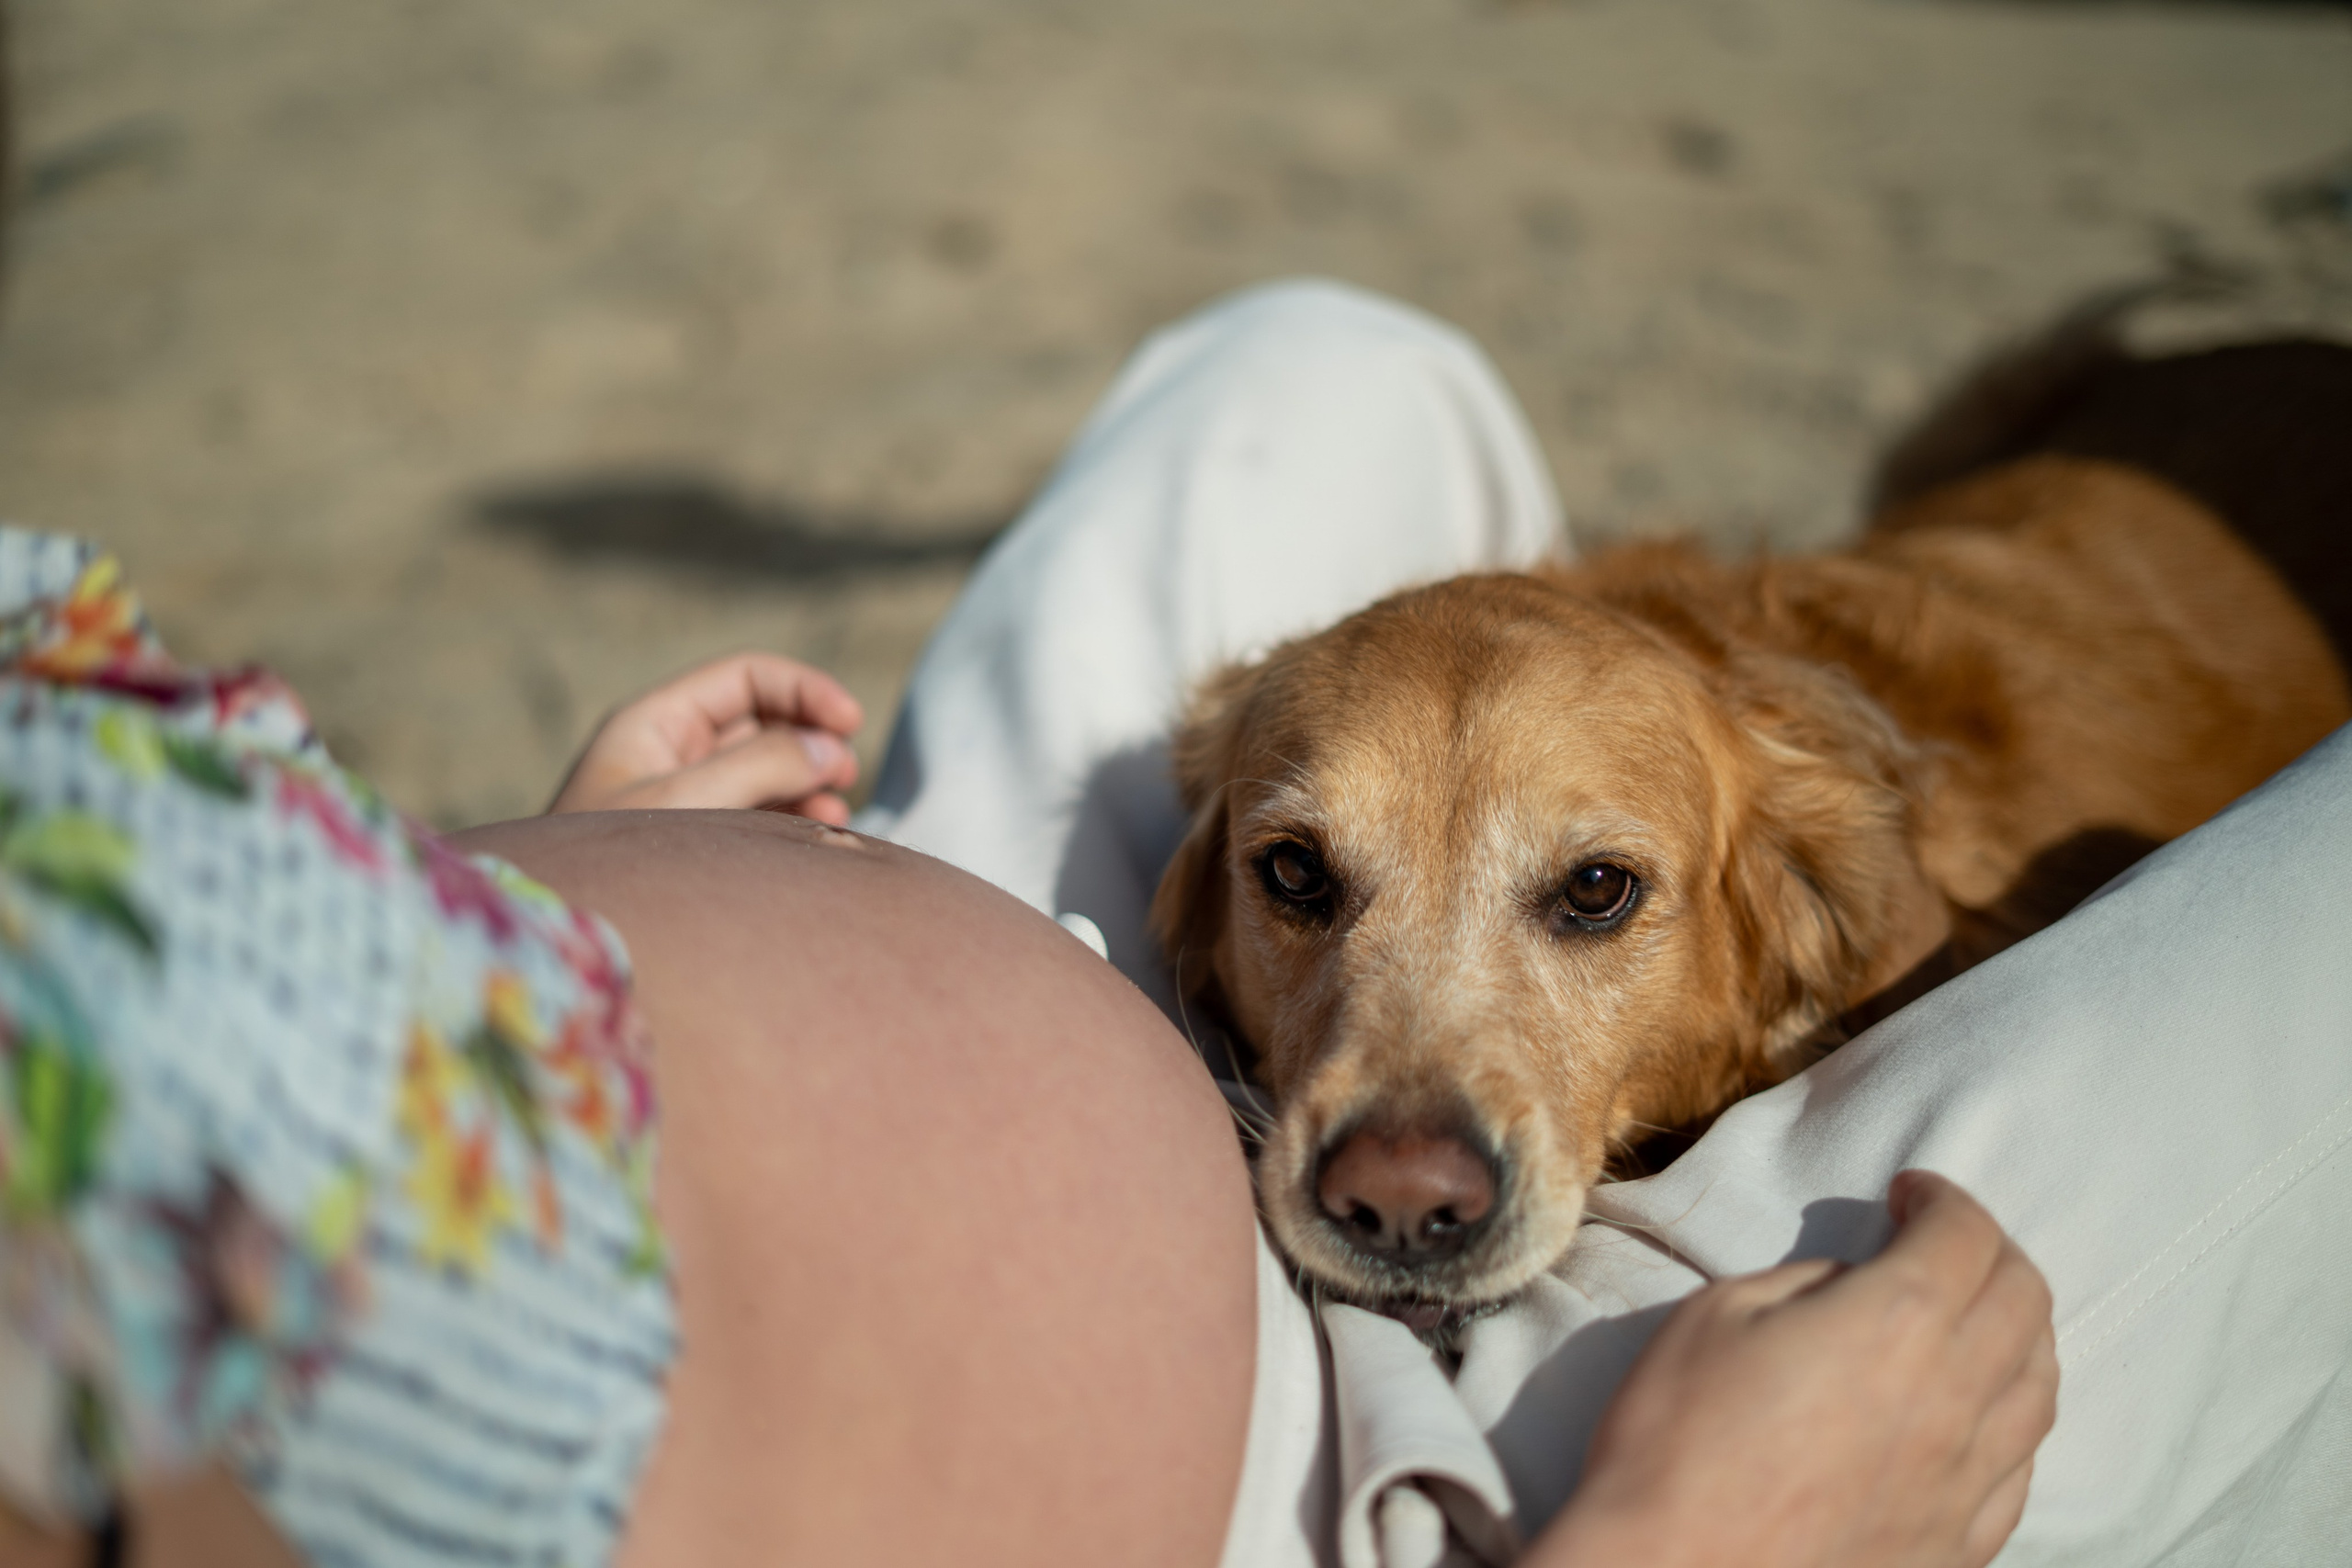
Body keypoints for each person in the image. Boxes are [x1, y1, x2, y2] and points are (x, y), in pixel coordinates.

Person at [0, 278, 2338, 1568]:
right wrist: (1678, 1545)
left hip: (891, 941)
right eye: (1297, 874)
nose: (1408, 1086)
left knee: (1315, 361)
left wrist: (499, 898)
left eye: (1588, 895)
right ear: (1217, 887)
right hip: (1429, 1463)